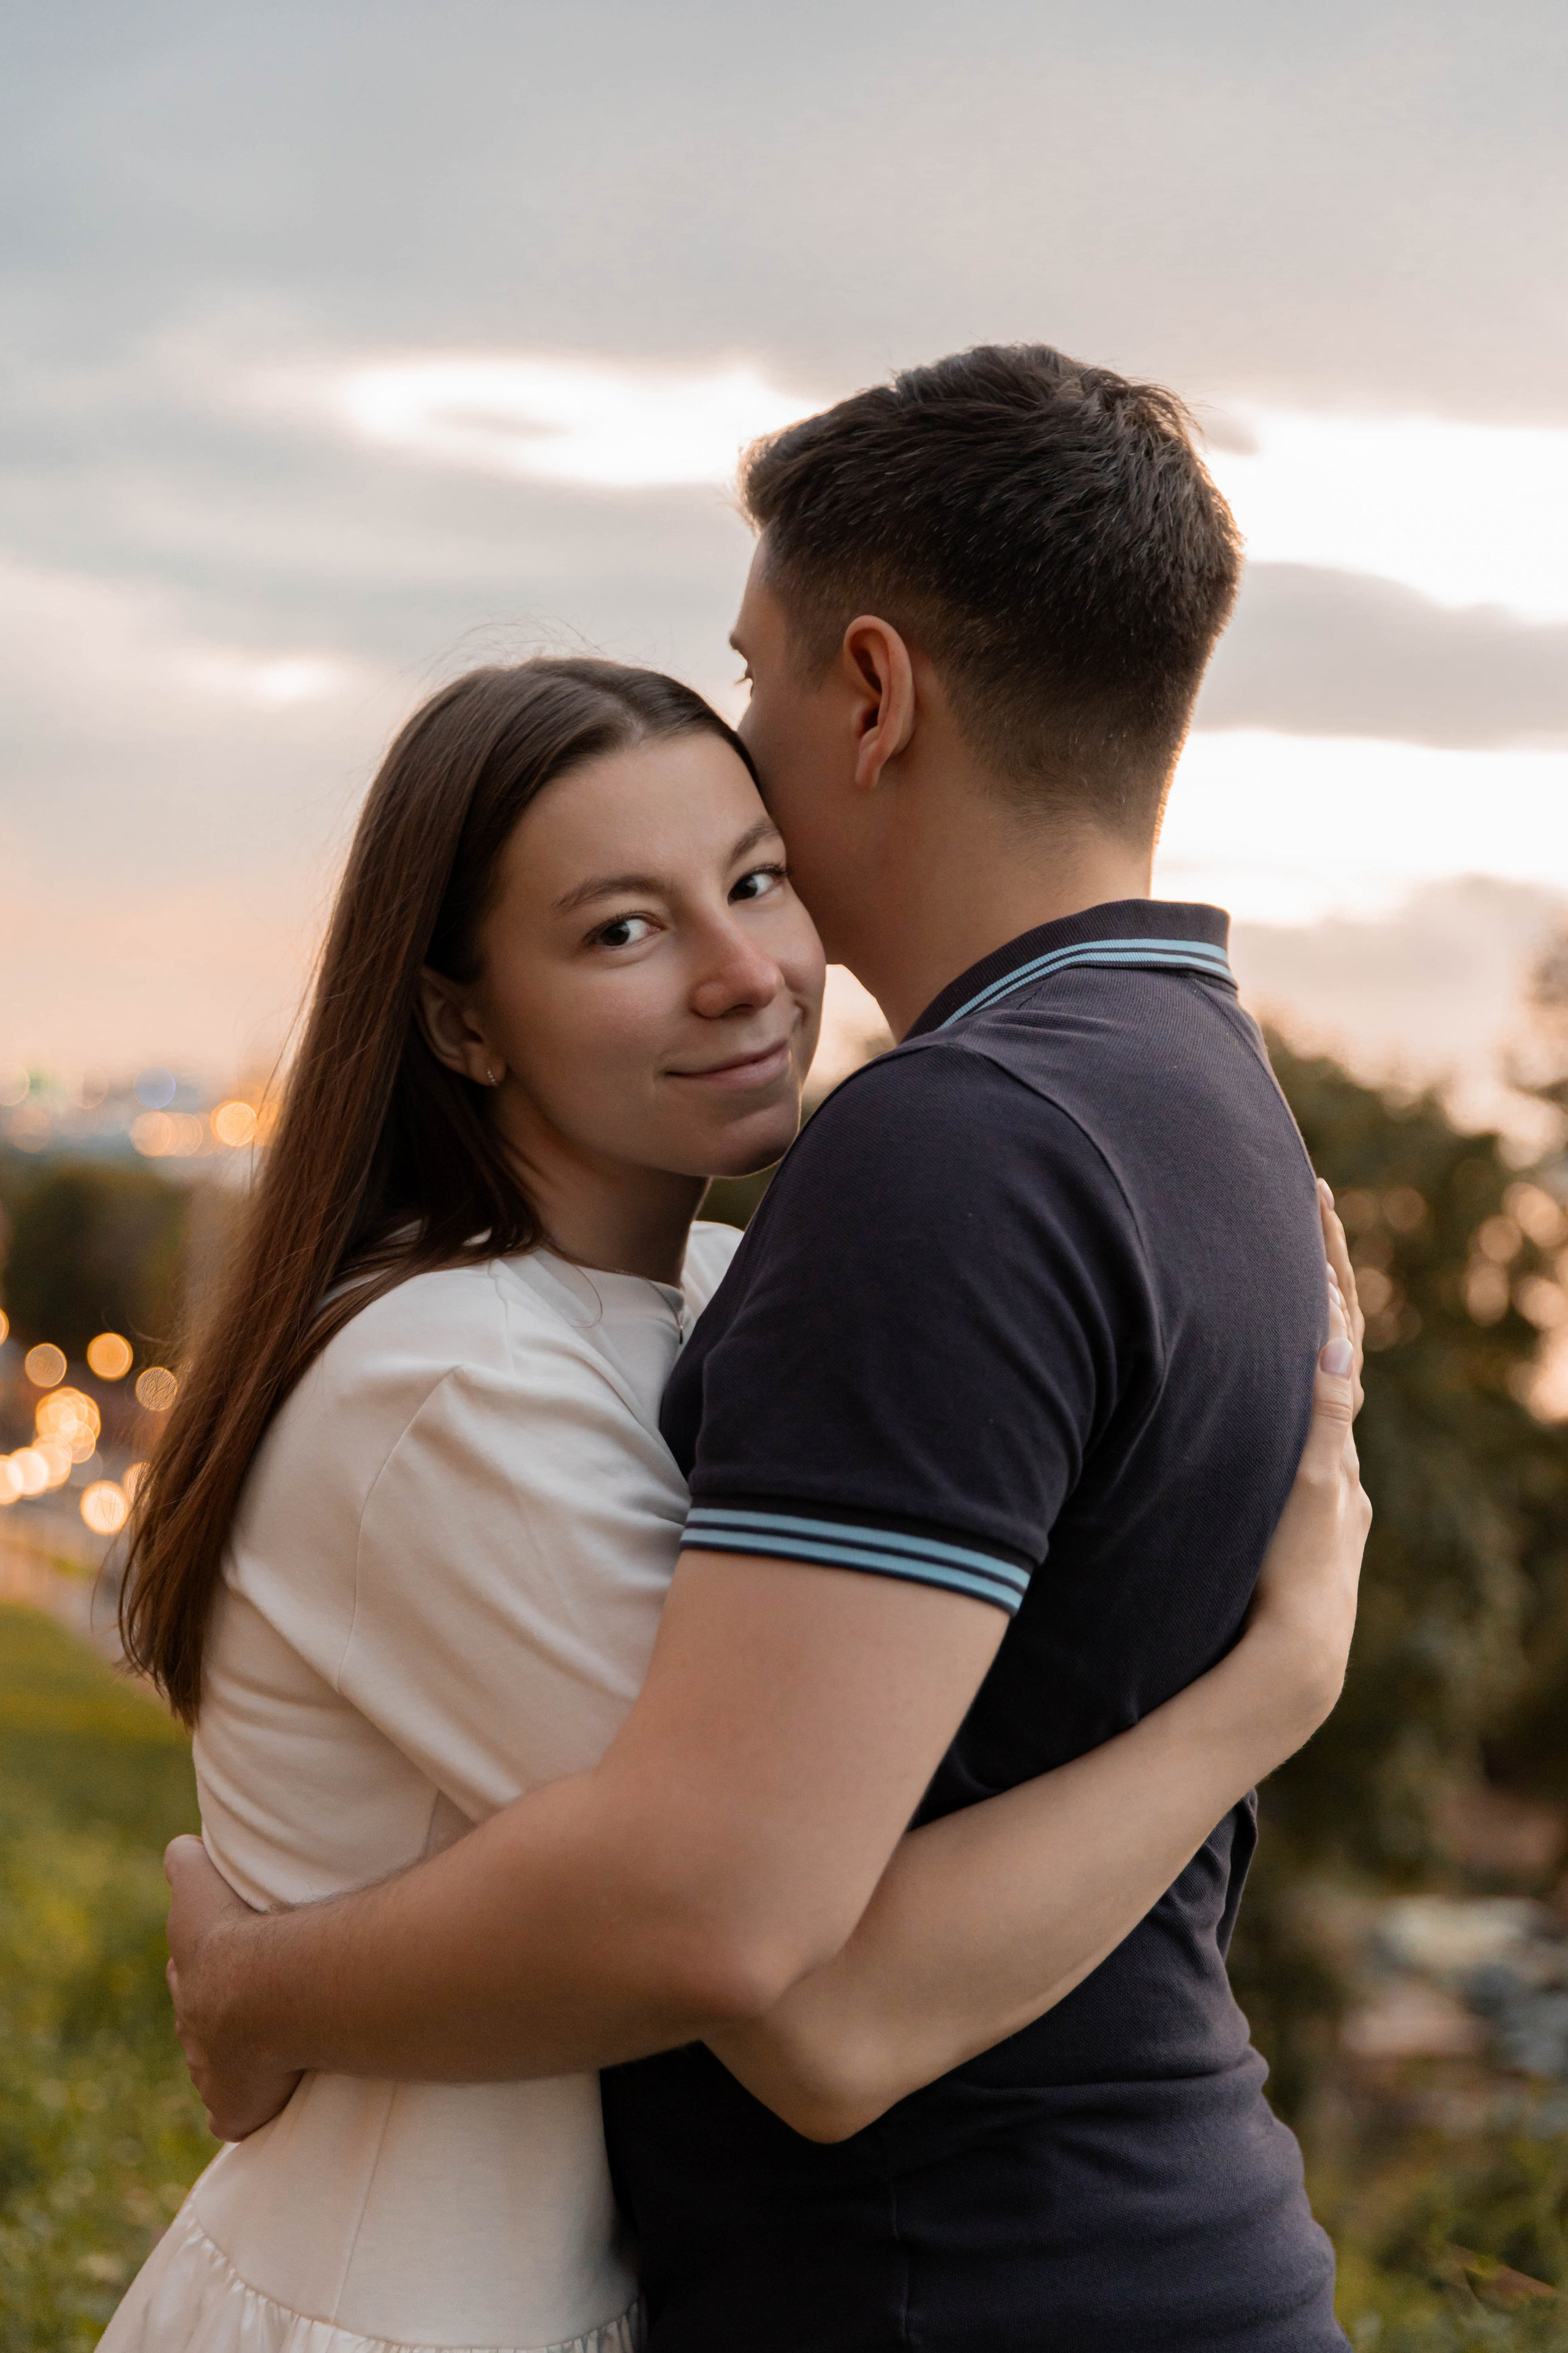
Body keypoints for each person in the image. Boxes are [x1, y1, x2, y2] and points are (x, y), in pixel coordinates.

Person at [149, 347, 1368, 2352]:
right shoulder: (1209, 1097)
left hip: (976, 2282)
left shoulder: (955, 1140)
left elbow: (784, 1971)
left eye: (759, 675)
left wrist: (261, 1983)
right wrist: (1273, 1686)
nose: (753, 743)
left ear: (871, 692)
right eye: (619, 926)